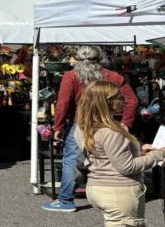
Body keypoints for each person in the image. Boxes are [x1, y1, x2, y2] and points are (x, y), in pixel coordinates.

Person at [42, 46, 138, 212]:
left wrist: (58, 126)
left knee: (72, 160)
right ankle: (112, 195)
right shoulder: (113, 76)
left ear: (76, 59)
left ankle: (65, 200)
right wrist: (125, 123)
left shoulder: (71, 76)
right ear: (99, 58)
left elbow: (63, 104)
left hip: (82, 123)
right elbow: (132, 101)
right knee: (111, 158)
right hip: (108, 123)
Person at [76, 81, 165, 226]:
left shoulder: (84, 126)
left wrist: (140, 152)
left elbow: (105, 156)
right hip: (118, 191)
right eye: (118, 96)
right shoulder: (111, 131)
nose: (125, 99)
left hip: (98, 187)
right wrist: (158, 154)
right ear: (106, 102)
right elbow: (126, 167)